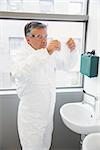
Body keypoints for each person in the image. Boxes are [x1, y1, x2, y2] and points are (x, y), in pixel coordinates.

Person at [11, 21, 78, 150]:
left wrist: (72, 51)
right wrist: (46, 52)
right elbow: (19, 73)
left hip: (47, 115)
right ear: (28, 39)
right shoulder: (21, 56)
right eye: (39, 36)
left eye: (45, 36)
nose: (44, 40)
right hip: (31, 119)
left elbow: (66, 66)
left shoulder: (48, 55)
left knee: (45, 147)